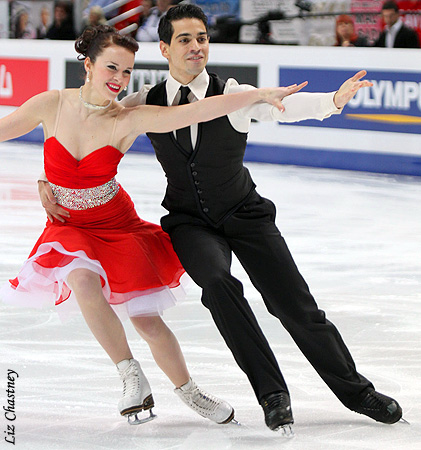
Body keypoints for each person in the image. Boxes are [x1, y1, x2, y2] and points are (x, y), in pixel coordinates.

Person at [38, 4, 403, 434]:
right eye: (185, 40)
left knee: (295, 306)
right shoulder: (144, 103)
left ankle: (357, 391)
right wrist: (48, 177)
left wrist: (332, 101)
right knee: (218, 285)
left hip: (245, 215)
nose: (196, 47)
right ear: (165, 48)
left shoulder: (232, 92)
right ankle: (273, 395)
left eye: (202, 38)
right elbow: (84, 129)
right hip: (189, 222)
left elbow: (277, 105)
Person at [0, 25, 305, 426]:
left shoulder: (127, 118)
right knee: (82, 280)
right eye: (112, 67)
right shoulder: (50, 104)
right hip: (69, 224)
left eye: (127, 72)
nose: (119, 80)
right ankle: (130, 375)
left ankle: (190, 391)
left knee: (146, 319)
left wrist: (258, 95)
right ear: (88, 65)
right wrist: (44, 182)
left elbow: (195, 111)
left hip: (115, 223)